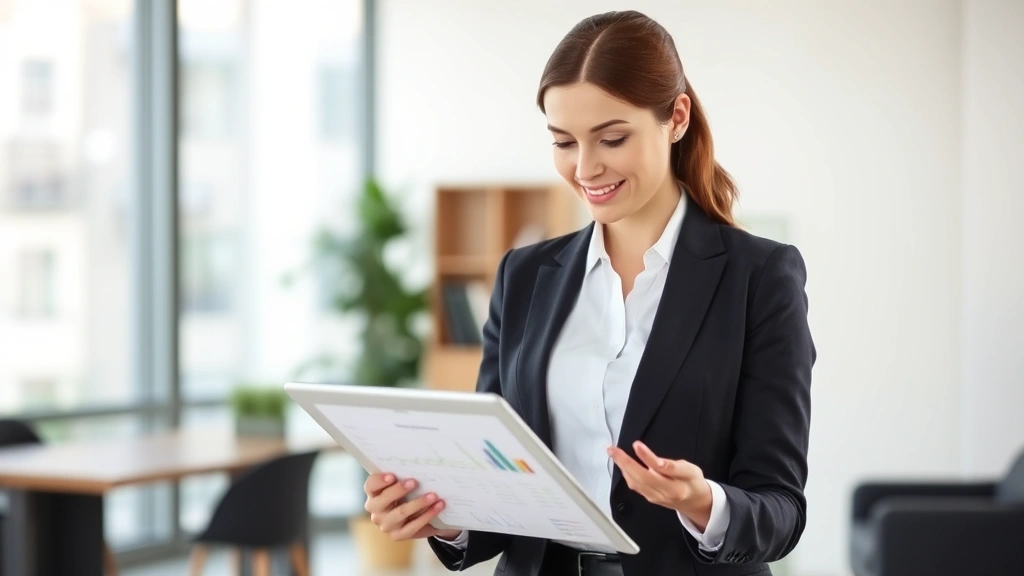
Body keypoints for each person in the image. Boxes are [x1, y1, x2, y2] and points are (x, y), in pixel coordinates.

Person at [362, 10, 815, 576]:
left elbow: (780, 507)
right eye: (563, 142)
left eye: (612, 138)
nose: (585, 168)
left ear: (676, 118)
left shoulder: (760, 276)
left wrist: (703, 503)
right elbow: (498, 487)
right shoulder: (524, 276)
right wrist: (441, 517)